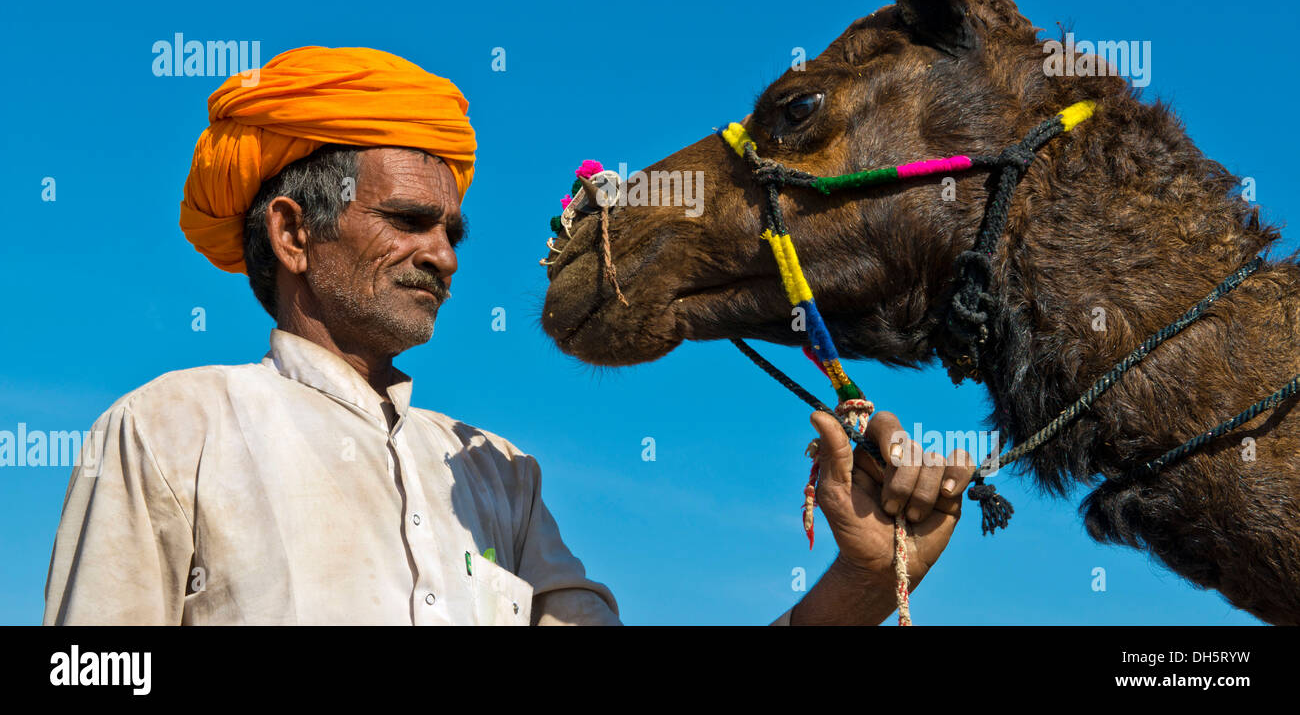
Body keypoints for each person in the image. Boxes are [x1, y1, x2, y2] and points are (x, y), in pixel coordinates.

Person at [43, 46, 975, 625]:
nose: (442, 255)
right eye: (409, 221)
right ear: (294, 233)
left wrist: (860, 581)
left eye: (453, 232)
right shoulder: (172, 431)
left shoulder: (497, 476)